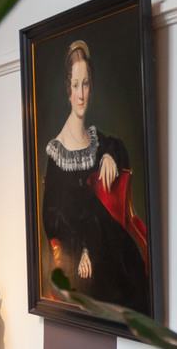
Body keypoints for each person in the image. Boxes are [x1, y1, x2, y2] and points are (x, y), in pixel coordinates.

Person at [41, 40, 151, 313]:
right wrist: (82, 248)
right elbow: (52, 216)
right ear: (68, 90)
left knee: (134, 272)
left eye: (86, 84)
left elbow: (117, 146)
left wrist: (109, 155)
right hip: (81, 253)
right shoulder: (57, 151)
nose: (81, 94)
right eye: (75, 85)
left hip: (110, 245)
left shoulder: (97, 140)